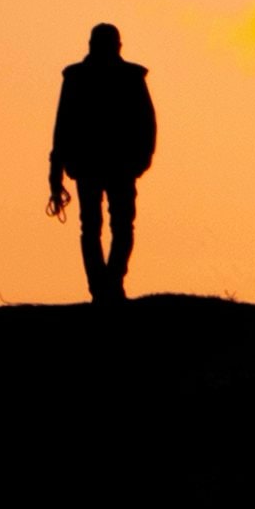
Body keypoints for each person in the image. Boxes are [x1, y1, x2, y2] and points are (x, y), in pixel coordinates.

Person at [48, 23, 158, 304]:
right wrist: (56, 171)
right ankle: (106, 286)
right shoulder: (125, 78)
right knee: (111, 227)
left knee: (103, 227)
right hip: (105, 166)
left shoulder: (79, 78)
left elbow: (62, 128)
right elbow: (63, 127)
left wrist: (56, 172)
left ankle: (105, 285)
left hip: (103, 166)